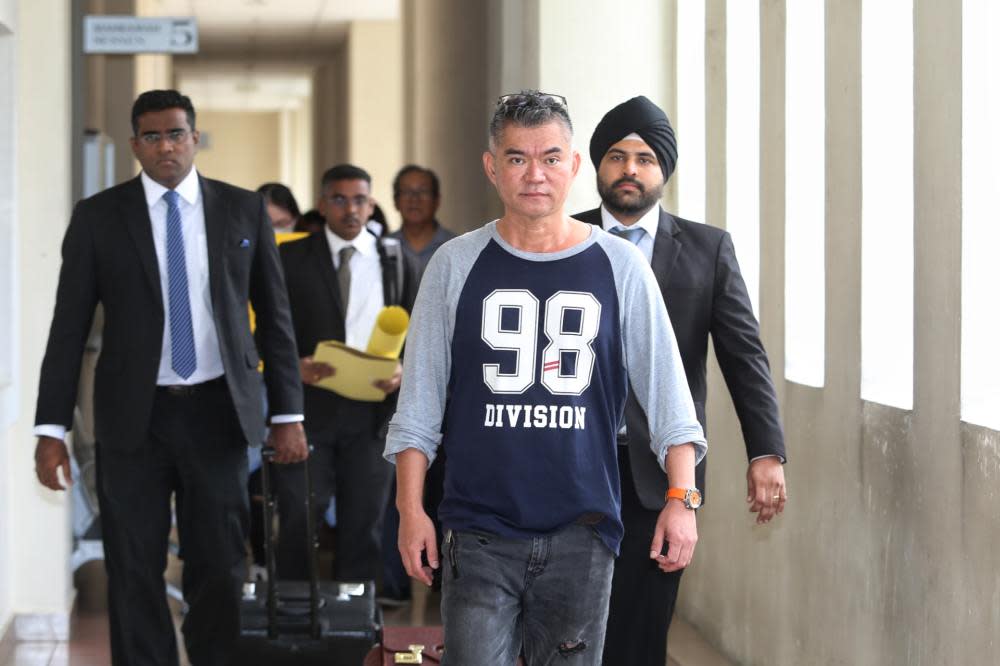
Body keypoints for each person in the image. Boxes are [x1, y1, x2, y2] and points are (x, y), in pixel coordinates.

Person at [385, 91, 706, 665]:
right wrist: (412, 512)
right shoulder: (455, 265)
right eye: (517, 158)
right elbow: (418, 410)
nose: (535, 174)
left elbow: (670, 401)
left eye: (551, 158)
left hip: (582, 535)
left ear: (574, 165)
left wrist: (682, 500)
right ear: (491, 167)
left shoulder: (620, 266)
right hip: (477, 533)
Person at [32, 89, 307, 666]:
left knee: (220, 562)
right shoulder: (99, 218)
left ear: (195, 137)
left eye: (177, 133)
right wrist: (51, 428)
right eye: (152, 136)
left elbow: (276, 322)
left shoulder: (242, 210)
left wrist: (287, 414)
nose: (166, 146)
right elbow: (67, 330)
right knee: (133, 565)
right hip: (135, 420)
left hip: (217, 413)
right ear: (135, 145)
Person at [574, 95, 788, 666]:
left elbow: (745, 357)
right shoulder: (560, 240)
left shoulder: (706, 248)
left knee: (641, 628)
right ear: (597, 166)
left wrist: (765, 451)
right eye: (616, 156)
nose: (629, 169)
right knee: (562, 624)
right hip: (567, 458)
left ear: (663, 170)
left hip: (661, 467)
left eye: (645, 158)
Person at [274, 164, 417, 582]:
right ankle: (295, 620)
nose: (350, 209)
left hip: (373, 414)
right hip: (308, 410)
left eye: (359, 200)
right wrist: (292, 367)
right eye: (339, 199)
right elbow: (270, 329)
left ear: (372, 205)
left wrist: (403, 370)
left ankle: (355, 626)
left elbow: (423, 333)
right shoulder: (291, 257)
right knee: (300, 514)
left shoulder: (397, 260)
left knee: (364, 523)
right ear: (322, 205)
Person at [388, 164, 456, 282]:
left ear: (437, 200)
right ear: (396, 201)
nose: (414, 199)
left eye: (423, 191)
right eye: (407, 192)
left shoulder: (455, 246)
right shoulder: (384, 248)